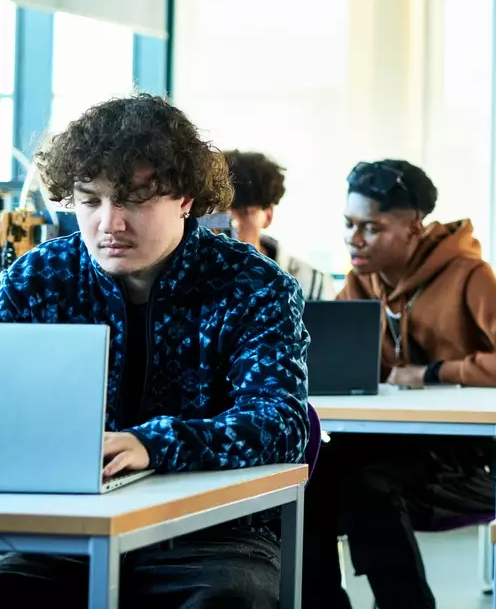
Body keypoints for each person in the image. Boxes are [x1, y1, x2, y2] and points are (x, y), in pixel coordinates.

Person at [0, 94, 310, 607]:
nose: (109, 223)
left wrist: (155, 444)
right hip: (63, 534)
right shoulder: (38, 277)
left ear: (185, 198)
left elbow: (281, 422)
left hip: (212, 536)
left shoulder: (253, 285)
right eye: (90, 199)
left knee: (228, 599)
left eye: (136, 200)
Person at [302, 158, 496, 609]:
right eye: (348, 224)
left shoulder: (468, 276)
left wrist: (435, 373)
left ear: (414, 228)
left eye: (372, 227)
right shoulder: (361, 281)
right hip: (400, 447)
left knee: (368, 488)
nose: (354, 239)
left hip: (480, 461)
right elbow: (347, 364)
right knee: (309, 476)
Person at [224, 149, 333, 300]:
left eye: (245, 212)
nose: (233, 223)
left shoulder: (311, 282)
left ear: (268, 216)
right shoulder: (195, 277)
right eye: (221, 212)